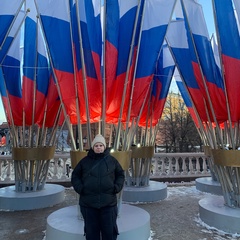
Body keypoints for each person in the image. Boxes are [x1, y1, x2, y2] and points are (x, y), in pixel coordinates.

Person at [71, 134, 125, 240]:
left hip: (108, 204)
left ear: (104, 147)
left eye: (101, 145)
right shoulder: (84, 162)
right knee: (91, 234)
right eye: (96, 145)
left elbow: (120, 174)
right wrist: (80, 188)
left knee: (109, 233)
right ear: (93, 147)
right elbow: (75, 176)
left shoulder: (112, 161)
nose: (99, 147)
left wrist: (117, 187)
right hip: (89, 204)